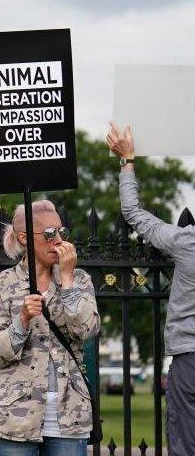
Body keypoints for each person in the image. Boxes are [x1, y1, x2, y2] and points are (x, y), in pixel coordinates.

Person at [0, 200, 100, 455]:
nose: (58, 240)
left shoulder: (79, 280)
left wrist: (67, 282)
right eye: (49, 234)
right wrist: (22, 319)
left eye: (61, 232)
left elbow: (87, 331)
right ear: (24, 238)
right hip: (14, 419)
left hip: (69, 418)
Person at [107, 122, 195, 455]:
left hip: (189, 357)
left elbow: (133, 213)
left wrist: (127, 161)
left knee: (185, 444)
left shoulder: (187, 242)